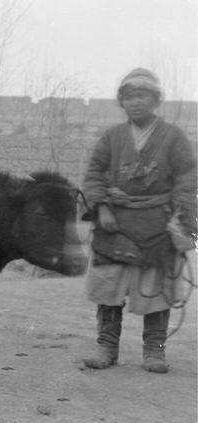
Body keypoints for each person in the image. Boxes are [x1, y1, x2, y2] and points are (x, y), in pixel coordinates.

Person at [82, 67, 196, 373]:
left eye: (142, 95)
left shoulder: (174, 138)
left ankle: (154, 351)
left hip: (158, 223)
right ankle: (106, 347)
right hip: (114, 223)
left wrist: (182, 221)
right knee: (109, 288)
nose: (135, 102)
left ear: (156, 99)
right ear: (122, 102)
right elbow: (93, 174)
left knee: (156, 290)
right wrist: (101, 208)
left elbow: (188, 180)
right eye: (129, 97)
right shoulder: (112, 137)